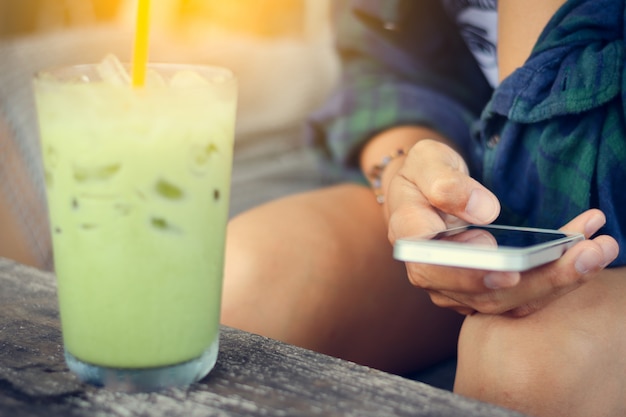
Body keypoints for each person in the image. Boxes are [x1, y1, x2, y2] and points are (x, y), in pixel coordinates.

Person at [221, 0, 626, 416]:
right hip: (482, 199)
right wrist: (406, 173)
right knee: (239, 281)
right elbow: (392, 65)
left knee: (528, 369)